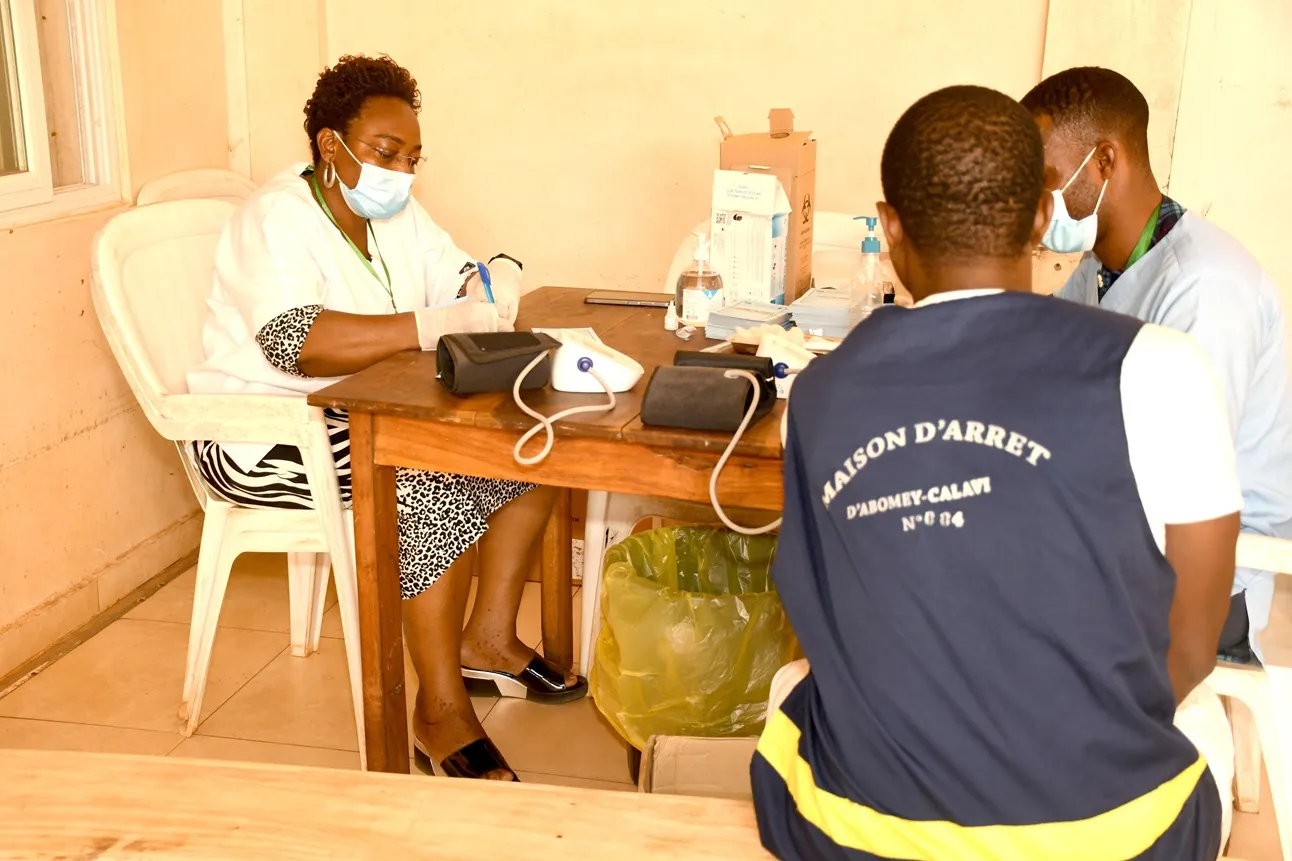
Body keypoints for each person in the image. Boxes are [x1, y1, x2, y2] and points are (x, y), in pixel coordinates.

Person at [751, 85, 1242, 860]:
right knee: (1213, 711)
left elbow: (825, 617)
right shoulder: (1160, 364)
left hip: (858, 837)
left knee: (791, 692)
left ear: (889, 225)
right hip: (1117, 839)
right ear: (1043, 216)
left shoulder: (818, 392)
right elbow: (1192, 644)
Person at [186, 55, 585, 782]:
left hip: (364, 410)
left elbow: (456, 272)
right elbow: (295, 341)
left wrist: (487, 281)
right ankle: (437, 708)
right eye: (384, 153)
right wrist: (433, 324)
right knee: (433, 472)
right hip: (266, 430)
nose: (400, 171)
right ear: (329, 145)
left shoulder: (394, 209)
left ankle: (488, 640)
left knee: (538, 437)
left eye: (411, 157)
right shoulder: (277, 218)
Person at [1022, 66, 1292, 663]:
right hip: (1122, 536)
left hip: (1196, 582)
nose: (1036, 207)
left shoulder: (1208, 288)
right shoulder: (1107, 267)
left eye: (1045, 181)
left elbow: (1178, 484)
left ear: (1105, 161)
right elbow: (1038, 353)